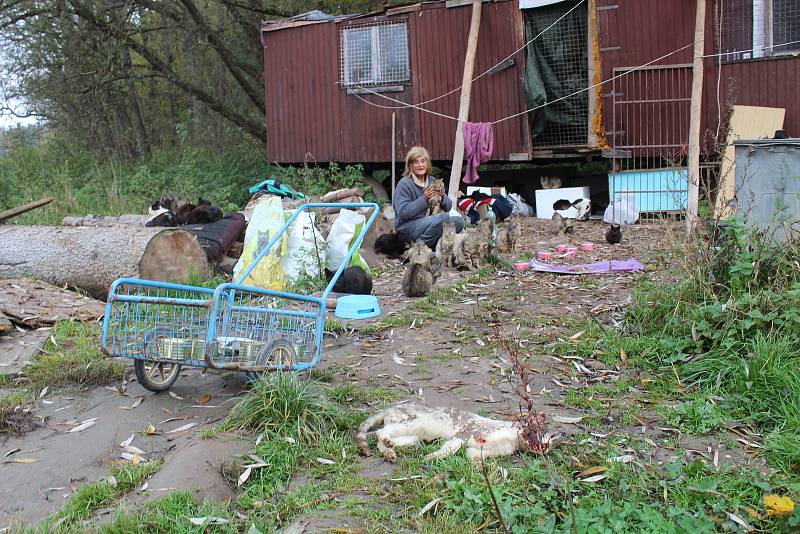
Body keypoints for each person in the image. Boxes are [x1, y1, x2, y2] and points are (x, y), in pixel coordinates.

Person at [392, 146, 464, 249]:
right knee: (442, 219)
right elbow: (403, 213)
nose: (420, 165)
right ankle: (418, 249)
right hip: (407, 227)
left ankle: (433, 245)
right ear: (410, 166)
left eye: (423, 161)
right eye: (416, 162)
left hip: (430, 222)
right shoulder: (404, 183)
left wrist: (442, 196)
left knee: (458, 222)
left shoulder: (432, 180)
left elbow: (448, 207)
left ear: (427, 164)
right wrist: (424, 198)